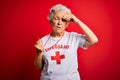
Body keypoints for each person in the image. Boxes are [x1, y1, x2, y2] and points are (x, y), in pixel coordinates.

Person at [34, 4, 98, 80]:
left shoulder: (73, 37)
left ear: (67, 24)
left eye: (63, 20)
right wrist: (38, 53)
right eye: (56, 18)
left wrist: (77, 20)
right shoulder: (42, 41)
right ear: (50, 22)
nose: (59, 23)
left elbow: (94, 40)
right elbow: (38, 68)